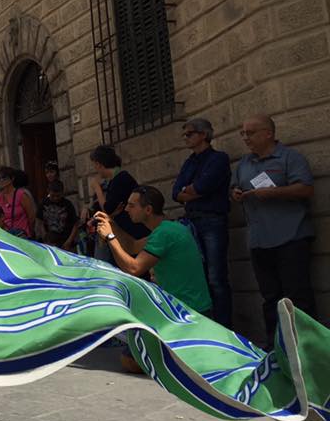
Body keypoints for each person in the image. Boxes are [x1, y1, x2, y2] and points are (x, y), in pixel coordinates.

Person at [232, 114, 316, 344]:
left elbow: (306, 188)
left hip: (291, 238)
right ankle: (276, 349)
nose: (245, 138)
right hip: (259, 241)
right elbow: (235, 187)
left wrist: (273, 193)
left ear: (268, 133)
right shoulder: (245, 164)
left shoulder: (290, 157)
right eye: (243, 133)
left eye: (251, 133)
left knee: (298, 299)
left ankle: (307, 349)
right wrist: (237, 194)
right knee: (271, 299)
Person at [94, 186, 212, 315]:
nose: (126, 209)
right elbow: (132, 246)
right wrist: (112, 225)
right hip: (191, 310)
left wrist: (110, 237)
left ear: (148, 209)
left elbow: (133, 269)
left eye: (132, 205)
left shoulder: (164, 233)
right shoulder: (170, 229)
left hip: (189, 312)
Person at [171, 118, 232, 328]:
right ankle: (205, 327)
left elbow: (204, 186)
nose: (186, 138)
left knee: (216, 278)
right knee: (199, 277)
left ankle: (224, 327)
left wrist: (191, 192)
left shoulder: (218, 159)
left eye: (189, 134)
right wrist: (192, 192)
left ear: (203, 135)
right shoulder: (189, 162)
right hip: (192, 223)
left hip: (212, 221)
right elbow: (175, 193)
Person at [87, 146, 148, 263]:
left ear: (99, 164)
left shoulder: (120, 179)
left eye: (94, 165)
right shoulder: (117, 179)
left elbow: (108, 208)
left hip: (131, 234)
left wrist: (97, 188)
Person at [37, 180, 78, 250]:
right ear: (48, 191)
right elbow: (39, 222)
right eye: (53, 196)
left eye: (58, 196)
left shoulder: (68, 204)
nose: (55, 198)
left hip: (65, 242)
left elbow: (75, 224)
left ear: (62, 193)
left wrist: (69, 241)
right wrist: (45, 238)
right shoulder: (43, 204)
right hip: (49, 243)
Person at [0, 167, 35, 238]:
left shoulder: (21, 195)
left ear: (12, 178)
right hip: (8, 236)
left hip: (22, 236)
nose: (1, 180)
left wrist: (30, 233)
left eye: (4, 177)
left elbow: (31, 217)